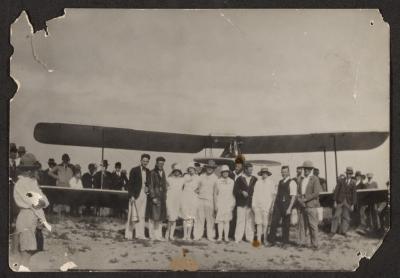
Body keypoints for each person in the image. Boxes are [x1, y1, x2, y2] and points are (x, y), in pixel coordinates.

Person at [13, 153, 50, 271]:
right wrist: (41, 203)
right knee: (27, 250)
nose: (36, 172)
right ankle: (22, 270)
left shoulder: (32, 183)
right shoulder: (21, 184)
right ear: (29, 171)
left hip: (33, 217)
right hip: (27, 217)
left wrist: (42, 203)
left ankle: (23, 268)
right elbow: (35, 202)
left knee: (32, 248)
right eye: (35, 170)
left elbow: (45, 200)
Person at [268, 166, 297, 246]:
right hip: (278, 205)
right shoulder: (280, 182)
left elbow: (293, 196)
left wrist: (289, 208)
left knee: (286, 224)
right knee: (274, 222)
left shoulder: (292, 182)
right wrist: (273, 205)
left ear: (288, 172)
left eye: (285, 172)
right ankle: (271, 241)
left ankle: (285, 242)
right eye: (282, 172)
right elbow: (276, 194)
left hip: (286, 205)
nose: (283, 173)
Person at [125, 154, 151, 240]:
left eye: (147, 161)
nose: (145, 162)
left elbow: (148, 183)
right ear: (141, 161)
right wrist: (131, 195)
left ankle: (140, 235)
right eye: (144, 161)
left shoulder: (148, 171)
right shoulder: (134, 170)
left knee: (142, 216)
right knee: (132, 214)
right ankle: (128, 234)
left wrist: (148, 189)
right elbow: (130, 184)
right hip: (135, 196)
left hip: (144, 195)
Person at [297, 160, 321, 249]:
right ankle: (302, 242)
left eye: (308, 169)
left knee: (313, 225)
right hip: (302, 205)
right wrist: (300, 200)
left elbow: (316, 193)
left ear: (311, 169)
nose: (306, 170)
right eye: (305, 168)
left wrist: (306, 199)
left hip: (311, 205)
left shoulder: (315, 179)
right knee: (302, 225)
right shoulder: (300, 179)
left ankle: (315, 244)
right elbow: (298, 192)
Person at [194, 160, 218, 241]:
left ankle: (210, 236)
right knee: (199, 218)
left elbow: (215, 193)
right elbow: (197, 188)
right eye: (208, 167)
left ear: (214, 169)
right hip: (200, 199)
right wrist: (197, 191)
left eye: (211, 167)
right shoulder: (201, 176)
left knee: (210, 219)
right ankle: (197, 235)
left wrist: (215, 205)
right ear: (206, 167)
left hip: (210, 201)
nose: (209, 169)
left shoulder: (216, 178)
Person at [233, 162, 257, 243]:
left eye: (252, 170)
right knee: (240, 220)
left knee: (250, 221)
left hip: (251, 204)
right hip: (241, 203)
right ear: (245, 170)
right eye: (249, 170)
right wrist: (241, 192)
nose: (251, 171)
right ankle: (238, 238)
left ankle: (249, 238)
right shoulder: (239, 179)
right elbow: (235, 191)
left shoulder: (255, 179)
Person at [331, 167, 357, 237]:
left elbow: (354, 194)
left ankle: (344, 231)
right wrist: (335, 201)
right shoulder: (341, 181)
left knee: (346, 217)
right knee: (336, 216)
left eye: (350, 174)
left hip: (348, 202)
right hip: (340, 201)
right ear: (346, 174)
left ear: (352, 174)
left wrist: (353, 204)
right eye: (348, 173)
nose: (349, 175)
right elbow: (336, 191)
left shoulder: (353, 183)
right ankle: (333, 231)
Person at [252, 167, 275, 246]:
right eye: (263, 173)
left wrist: (271, 206)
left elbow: (273, 196)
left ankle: (265, 239)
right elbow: (254, 194)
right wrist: (254, 205)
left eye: (265, 173)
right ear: (261, 174)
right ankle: (258, 240)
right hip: (258, 206)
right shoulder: (258, 183)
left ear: (268, 174)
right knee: (258, 223)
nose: (264, 174)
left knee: (265, 224)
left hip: (266, 206)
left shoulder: (271, 183)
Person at [148, 156, 168, 241]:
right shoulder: (152, 172)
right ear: (156, 163)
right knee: (153, 217)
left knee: (160, 218)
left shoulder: (163, 172)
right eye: (159, 163)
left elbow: (164, 185)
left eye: (162, 163)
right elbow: (150, 185)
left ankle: (158, 235)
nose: (161, 165)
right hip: (155, 196)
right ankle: (152, 235)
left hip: (162, 197)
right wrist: (153, 197)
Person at [214, 165, 235, 242]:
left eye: (227, 172)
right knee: (220, 221)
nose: (225, 173)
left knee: (227, 221)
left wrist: (233, 203)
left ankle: (226, 237)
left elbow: (233, 193)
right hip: (220, 202)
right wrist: (216, 204)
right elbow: (215, 194)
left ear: (228, 173)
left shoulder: (232, 182)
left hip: (228, 203)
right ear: (221, 173)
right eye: (224, 172)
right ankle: (219, 237)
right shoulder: (218, 181)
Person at [181, 163, 200, 240]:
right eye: (189, 169)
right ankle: (184, 235)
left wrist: (198, 190)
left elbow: (201, 187)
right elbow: (181, 186)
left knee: (191, 217)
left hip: (193, 198)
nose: (191, 170)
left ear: (194, 169)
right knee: (185, 217)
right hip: (185, 197)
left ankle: (189, 235)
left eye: (192, 168)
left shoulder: (198, 177)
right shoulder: (185, 176)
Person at [165, 163, 184, 240]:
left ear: (180, 172)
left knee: (175, 218)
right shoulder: (169, 179)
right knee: (170, 218)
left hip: (177, 200)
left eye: (178, 171)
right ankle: (167, 233)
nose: (177, 172)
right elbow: (165, 187)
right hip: (170, 199)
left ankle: (171, 235)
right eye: (175, 171)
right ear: (173, 171)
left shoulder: (182, 180)